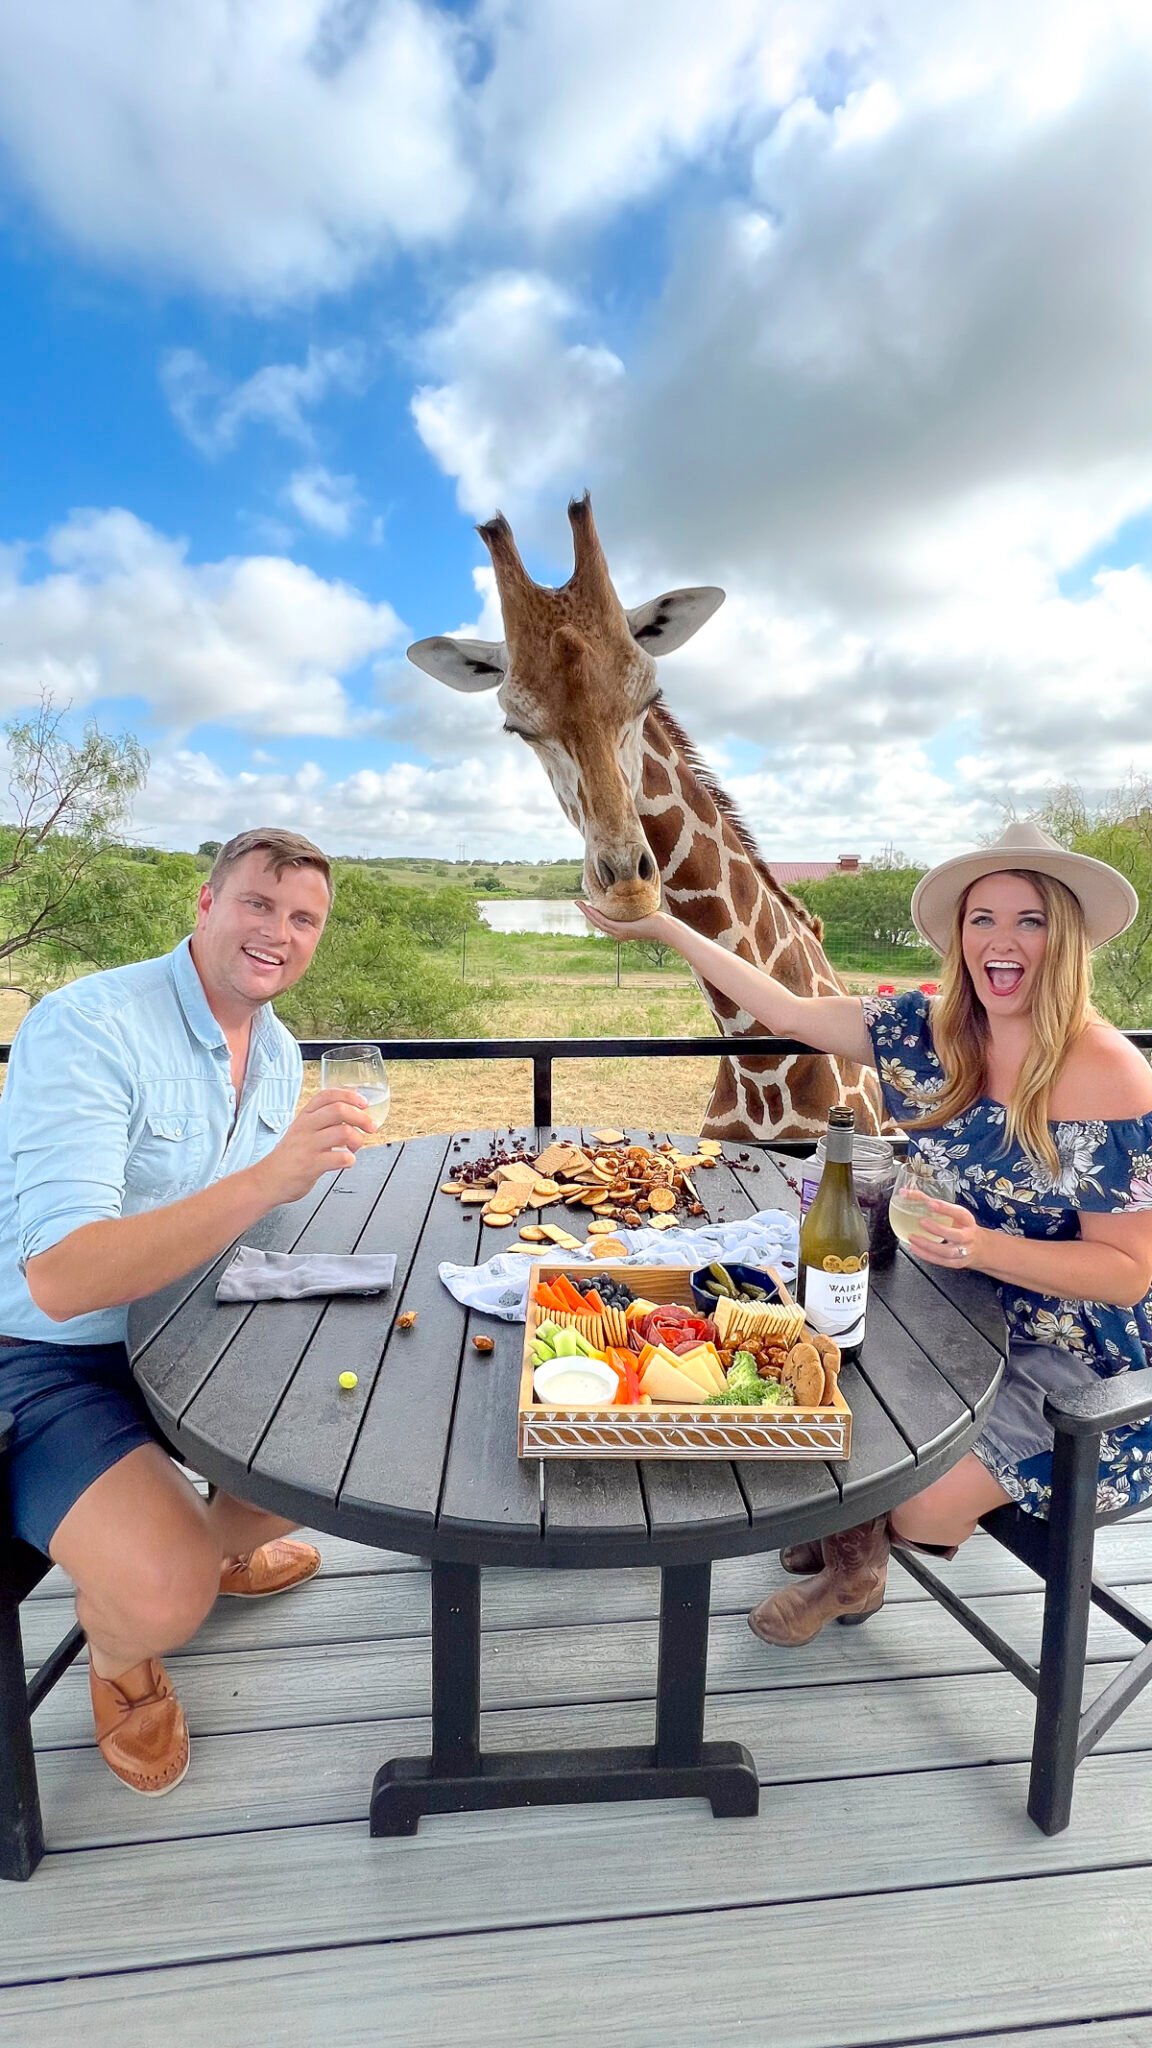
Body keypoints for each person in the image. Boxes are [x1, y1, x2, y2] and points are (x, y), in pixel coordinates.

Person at [583, 821, 1152, 1645]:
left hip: (1075, 1352)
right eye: (981, 918)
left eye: (1029, 920)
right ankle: (852, 1546)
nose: (1002, 939)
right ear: (959, 936)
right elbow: (784, 1008)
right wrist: (664, 924)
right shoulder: (930, 1030)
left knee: (917, 1495)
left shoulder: (1107, 1070)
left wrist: (983, 1246)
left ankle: (857, 1561)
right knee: (798, 1354)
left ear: (1063, 939)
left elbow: (1129, 1272)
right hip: (946, 1305)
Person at [0, 828, 375, 1793]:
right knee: (167, 1590)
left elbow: (241, 1230)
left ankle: (206, 1544)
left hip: (185, 1326)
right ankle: (129, 1643)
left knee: (348, 1431)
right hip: (45, 1350)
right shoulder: (89, 1026)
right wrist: (266, 1180)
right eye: (258, 904)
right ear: (206, 907)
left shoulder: (281, 1050)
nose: (278, 933)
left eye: (303, 919)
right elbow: (62, 1277)